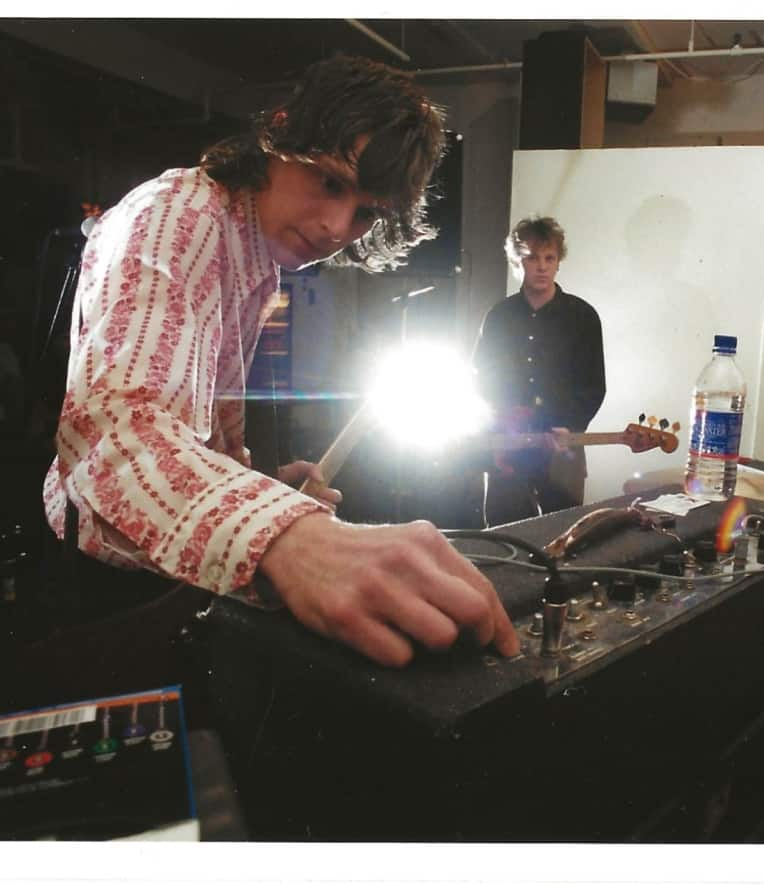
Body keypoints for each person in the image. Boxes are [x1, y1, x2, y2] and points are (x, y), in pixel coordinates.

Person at [40, 55, 519, 671]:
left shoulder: (257, 257)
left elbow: (197, 439)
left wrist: (258, 487)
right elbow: (117, 434)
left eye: (366, 211)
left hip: (172, 569)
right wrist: (288, 535)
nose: (335, 228)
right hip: (109, 585)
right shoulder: (178, 217)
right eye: (329, 181)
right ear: (283, 131)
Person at [471, 216, 606, 525]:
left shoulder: (582, 316)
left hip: (562, 446)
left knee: (565, 535)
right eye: (532, 257)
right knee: (503, 535)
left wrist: (569, 424)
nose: (542, 266)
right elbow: (481, 375)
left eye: (550, 258)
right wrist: (503, 415)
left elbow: (593, 384)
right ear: (517, 261)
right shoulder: (499, 316)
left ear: (559, 261)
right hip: (508, 445)